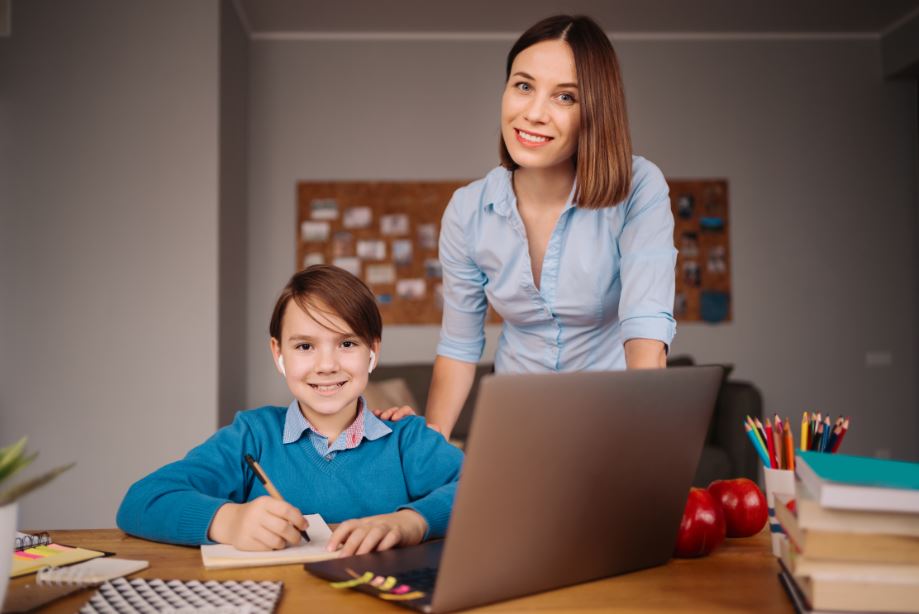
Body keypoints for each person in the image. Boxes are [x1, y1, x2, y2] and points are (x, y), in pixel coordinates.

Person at [377, 15, 676, 438]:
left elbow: (645, 328)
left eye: (565, 97)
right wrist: (432, 447)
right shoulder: (469, 210)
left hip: (612, 421)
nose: (534, 113)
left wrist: (643, 441)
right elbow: (460, 346)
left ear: (596, 110)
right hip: (516, 424)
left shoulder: (638, 187)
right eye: (523, 86)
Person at [117, 265, 463, 556]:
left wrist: (413, 521)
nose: (326, 365)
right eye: (305, 346)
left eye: (346, 343)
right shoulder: (250, 436)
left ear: (372, 351)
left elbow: (486, 492)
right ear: (278, 353)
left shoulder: (406, 439)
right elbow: (141, 501)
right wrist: (228, 521)